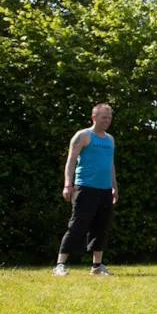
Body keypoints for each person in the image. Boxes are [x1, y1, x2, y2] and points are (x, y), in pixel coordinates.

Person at [53, 103, 118, 277]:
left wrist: (114, 187)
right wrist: (68, 184)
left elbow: (110, 165)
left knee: (101, 226)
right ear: (94, 117)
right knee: (77, 225)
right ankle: (60, 265)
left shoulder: (110, 139)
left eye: (109, 118)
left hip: (104, 190)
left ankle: (97, 266)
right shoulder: (83, 136)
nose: (107, 121)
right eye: (104, 117)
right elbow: (71, 161)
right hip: (85, 187)